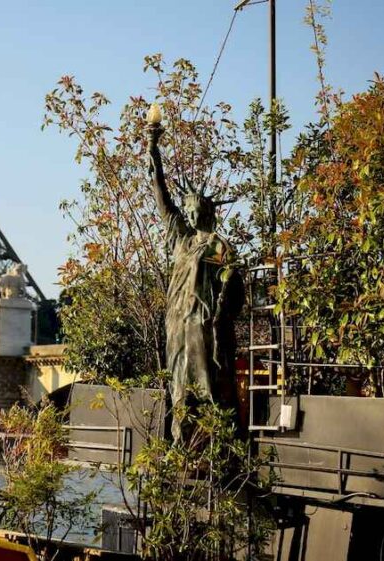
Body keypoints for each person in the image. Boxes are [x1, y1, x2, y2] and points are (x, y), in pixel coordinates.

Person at [147, 110, 244, 442]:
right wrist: (152, 148)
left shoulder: (220, 246)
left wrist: (217, 314)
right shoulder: (181, 240)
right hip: (177, 322)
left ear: (208, 211)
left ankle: (219, 443)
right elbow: (160, 194)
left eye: (195, 207)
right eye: (186, 207)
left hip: (201, 324)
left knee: (207, 385)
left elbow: (236, 290)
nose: (189, 211)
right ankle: (180, 443)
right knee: (180, 388)